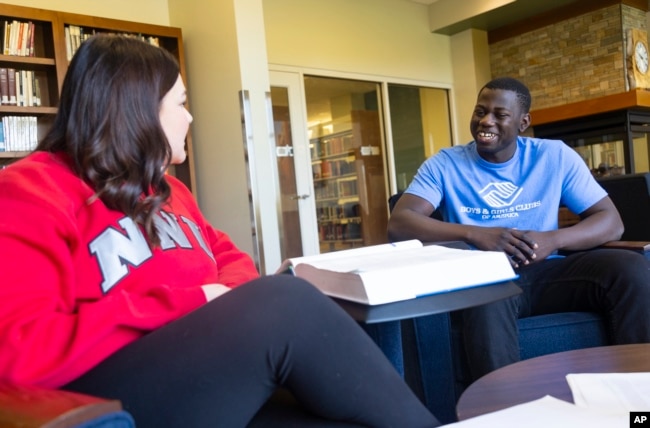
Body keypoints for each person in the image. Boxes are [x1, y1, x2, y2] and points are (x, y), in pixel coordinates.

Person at [0, 34, 440, 427]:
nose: (190, 119)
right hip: (104, 393)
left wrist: (219, 299)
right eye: (180, 104)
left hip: (202, 375)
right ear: (136, 109)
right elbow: (17, 350)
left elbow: (230, 260)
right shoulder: (29, 190)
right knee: (286, 300)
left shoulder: (170, 189)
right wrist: (192, 304)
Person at [387, 76, 650, 381]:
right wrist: (475, 234)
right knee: (486, 292)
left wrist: (553, 240)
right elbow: (400, 223)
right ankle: (504, 410)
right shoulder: (444, 164)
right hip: (485, 277)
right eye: (480, 111)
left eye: (500, 115)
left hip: (547, 273)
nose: (486, 121)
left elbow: (610, 222)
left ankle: (639, 389)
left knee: (630, 266)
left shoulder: (554, 156)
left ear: (523, 122)